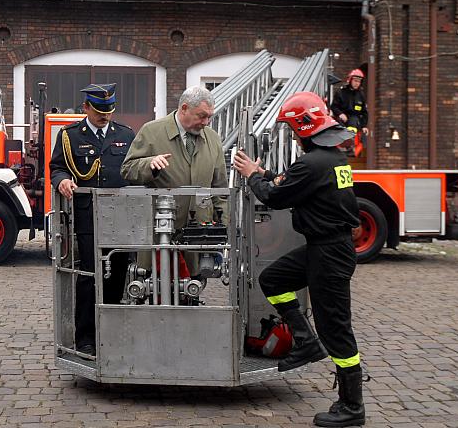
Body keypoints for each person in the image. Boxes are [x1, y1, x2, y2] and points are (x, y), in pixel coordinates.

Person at [233, 91, 365, 427]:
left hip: (329, 253)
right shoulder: (331, 158)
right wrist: (266, 173)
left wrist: (252, 175)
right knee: (273, 279)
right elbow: (293, 183)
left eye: (293, 131)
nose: (293, 138)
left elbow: (275, 197)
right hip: (326, 248)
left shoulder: (312, 163)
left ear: (305, 128)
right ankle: (305, 341)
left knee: (336, 330)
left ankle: (352, 406)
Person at [49, 83, 135, 356]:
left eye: (109, 110)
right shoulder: (70, 136)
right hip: (88, 217)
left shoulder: (126, 134)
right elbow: (57, 167)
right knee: (89, 274)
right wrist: (62, 181)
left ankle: (112, 332)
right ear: (86, 107)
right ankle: (86, 337)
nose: (104, 116)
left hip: (120, 216)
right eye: (99, 111)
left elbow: (134, 169)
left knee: (117, 273)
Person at [120, 86, 228, 274]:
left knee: (194, 283)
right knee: (155, 283)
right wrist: (149, 164)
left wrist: (226, 226)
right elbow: (127, 169)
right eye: (202, 116)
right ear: (184, 108)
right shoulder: (152, 132)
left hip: (198, 236)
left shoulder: (213, 139)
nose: (206, 122)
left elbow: (220, 190)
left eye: (209, 116)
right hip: (159, 232)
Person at [331, 69, 369, 148]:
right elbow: (334, 106)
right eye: (355, 81)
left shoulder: (361, 95)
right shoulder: (341, 93)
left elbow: (364, 112)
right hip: (341, 120)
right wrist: (340, 114)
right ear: (350, 80)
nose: (357, 83)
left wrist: (364, 126)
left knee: (354, 120)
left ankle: (350, 142)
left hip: (354, 122)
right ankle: (346, 142)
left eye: (359, 81)